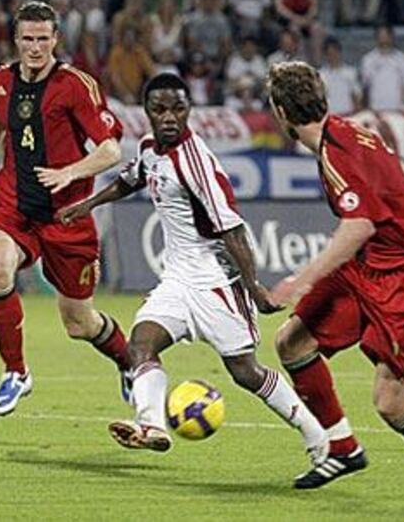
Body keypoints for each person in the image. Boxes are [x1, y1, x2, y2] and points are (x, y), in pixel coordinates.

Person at [57, 73, 329, 476]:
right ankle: (150, 424)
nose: (169, 117)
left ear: (190, 110)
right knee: (140, 344)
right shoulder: (151, 147)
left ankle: (318, 437)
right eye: (159, 109)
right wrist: (89, 204)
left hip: (217, 283)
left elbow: (232, 229)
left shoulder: (196, 163)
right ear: (146, 112)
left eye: (178, 109)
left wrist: (254, 288)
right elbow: (132, 178)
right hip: (178, 280)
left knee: (245, 372)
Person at [265, 60, 404, 501]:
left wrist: (299, 281)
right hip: (366, 267)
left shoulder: (338, 153)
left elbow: (359, 224)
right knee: (292, 343)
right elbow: (396, 196)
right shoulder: (348, 133)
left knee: (390, 401)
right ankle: (343, 447)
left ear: (281, 111)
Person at [0, 1, 131, 417]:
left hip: (66, 214)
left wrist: (70, 172)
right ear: (16, 40)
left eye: (43, 39)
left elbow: (110, 150)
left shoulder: (75, 85)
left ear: (56, 40)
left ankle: (128, 362)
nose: (35, 47)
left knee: (79, 324)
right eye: (27, 39)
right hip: (13, 201)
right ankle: (15, 372)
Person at [360, 25, 404, 111]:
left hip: (397, 109)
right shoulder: (368, 59)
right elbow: (365, 87)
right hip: (375, 109)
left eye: (386, 36)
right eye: (381, 37)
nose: (384, 40)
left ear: (392, 37)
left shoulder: (402, 59)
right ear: (376, 38)